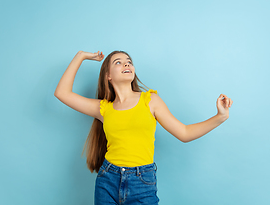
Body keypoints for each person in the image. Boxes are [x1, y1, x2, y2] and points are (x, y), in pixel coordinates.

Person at [54, 50, 233, 205]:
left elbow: (184, 133)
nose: (127, 64)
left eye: (129, 62)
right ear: (108, 75)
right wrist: (81, 56)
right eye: (119, 62)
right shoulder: (103, 108)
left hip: (142, 182)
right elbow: (62, 93)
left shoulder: (150, 100)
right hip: (107, 179)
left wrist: (220, 117)